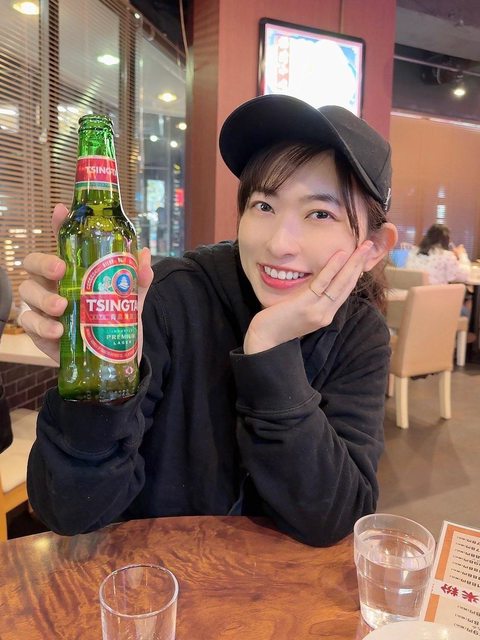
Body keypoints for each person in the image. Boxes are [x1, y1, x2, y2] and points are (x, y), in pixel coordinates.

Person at [19, 95, 397, 547]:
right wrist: (101, 394)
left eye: (320, 213)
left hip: (273, 582)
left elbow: (336, 517)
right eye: (264, 205)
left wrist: (269, 350)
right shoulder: (168, 298)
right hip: (155, 576)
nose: (280, 244)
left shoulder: (360, 333)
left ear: (373, 247)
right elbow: (68, 511)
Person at [406, 223, 471, 285]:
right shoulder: (446, 255)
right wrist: (462, 255)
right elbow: (463, 276)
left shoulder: (413, 252)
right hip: (436, 292)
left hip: (414, 291)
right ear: (446, 239)